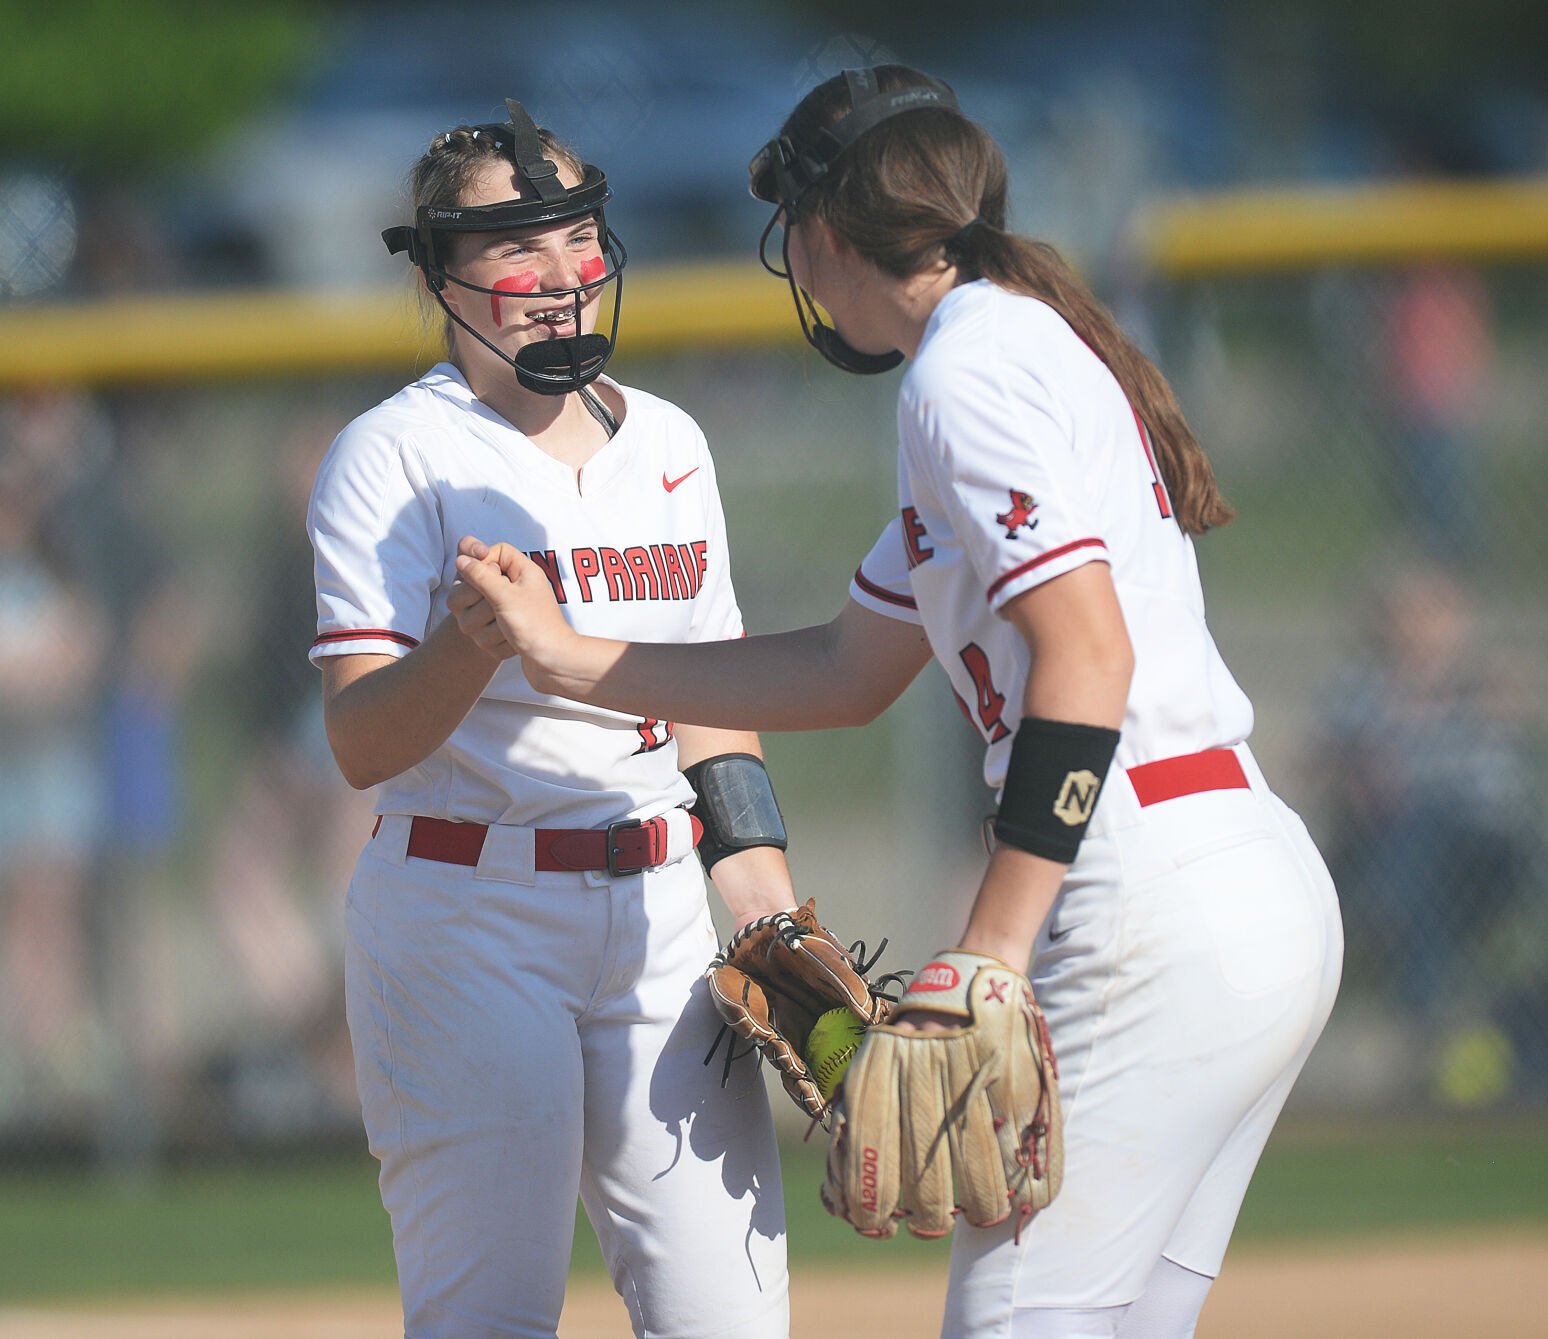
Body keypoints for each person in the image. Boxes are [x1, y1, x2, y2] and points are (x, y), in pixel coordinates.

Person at [448, 67, 1345, 1339]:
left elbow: (1087, 657)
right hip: (1252, 883)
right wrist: (572, 658)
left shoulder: (963, 373)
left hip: (1145, 896)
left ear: (822, 231)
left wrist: (993, 948)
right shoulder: (1017, 341)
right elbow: (842, 668)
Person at [306, 101, 795, 1339]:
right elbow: (362, 741)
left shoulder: (673, 443)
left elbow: (715, 709)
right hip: (469, 910)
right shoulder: (393, 455)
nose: (559, 275)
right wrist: (469, 648)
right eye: (514, 244)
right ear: (437, 273)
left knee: (726, 1323)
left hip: (662, 913)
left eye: (576, 234)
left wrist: (772, 915)